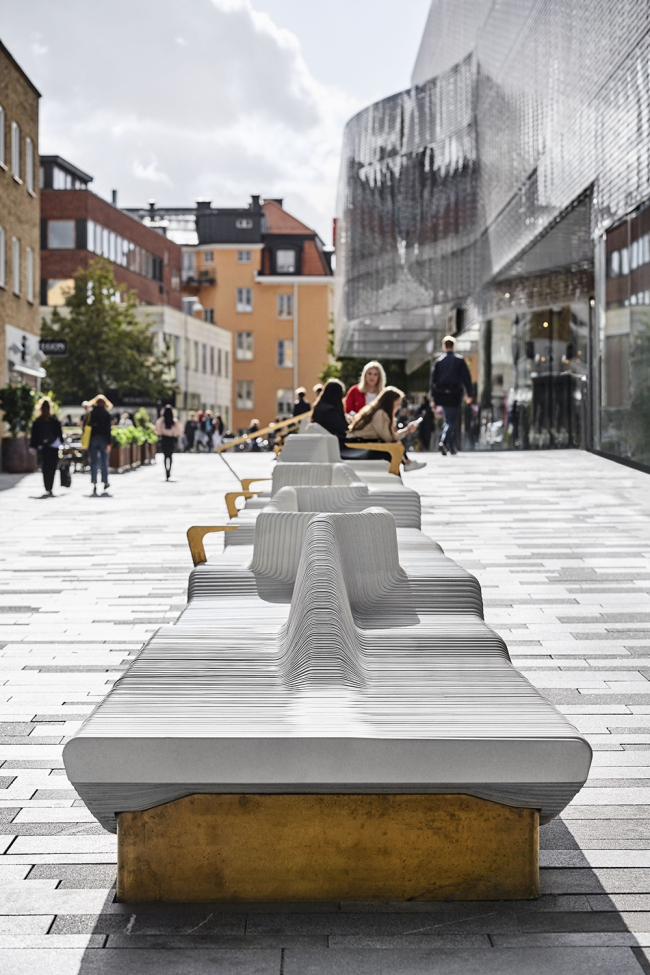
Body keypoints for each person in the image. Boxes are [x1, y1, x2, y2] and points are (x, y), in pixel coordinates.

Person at [348, 386, 426, 472]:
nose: (399, 407)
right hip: (358, 445)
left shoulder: (377, 411)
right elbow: (389, 438)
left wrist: (406, 430)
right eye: (397, 404)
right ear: (390, 402)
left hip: (360, 443)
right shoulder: (380, 414)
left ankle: (407, 463)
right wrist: (407, 430)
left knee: (395, 445)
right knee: (395, 446)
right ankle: (407, 463)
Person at [430, 335, 473, 456]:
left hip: (443, 395)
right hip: (455, 393)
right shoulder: (459, 360)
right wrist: (469, 393)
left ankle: (451, 447)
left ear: (444, 346)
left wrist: (433, 398)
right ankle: (444, 441)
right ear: (453, 346)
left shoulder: (439, 362)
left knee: (449, 419)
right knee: (452, 420)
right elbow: (466, 378)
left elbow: (433, 382)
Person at [29, 397, 63, 498]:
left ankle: (47, 487)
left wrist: (32, 446)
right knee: (52, 467)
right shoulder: (54, 420)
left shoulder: (38, 420)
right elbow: (59, 433)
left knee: (45, 467)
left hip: (43, 447)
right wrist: (61, 443)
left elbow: (34, 435)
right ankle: (50, 487)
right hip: (53, 447)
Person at [312, 379, 349, 450]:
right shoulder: (331, 411)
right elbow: (343, 428)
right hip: (335, 446)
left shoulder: (318, 407)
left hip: (323, 446)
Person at [87, 395, 113, 496]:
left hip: (92, 439)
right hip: (103, 439)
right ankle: (105, 481)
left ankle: (94, 481)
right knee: (104, 461)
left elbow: (85, 427)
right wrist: (109, 443)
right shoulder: (106, 414)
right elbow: (108, 430)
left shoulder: (91, 413)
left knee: (93, 462)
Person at [155, 405, 183, 480]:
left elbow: (157, 430)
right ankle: (169, 470)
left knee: (165, 456)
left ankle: (166, 471)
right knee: (170, 456)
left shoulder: (161, 421)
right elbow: (179, 430)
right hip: (171, 440)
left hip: (164, 439)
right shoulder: (174, 421)